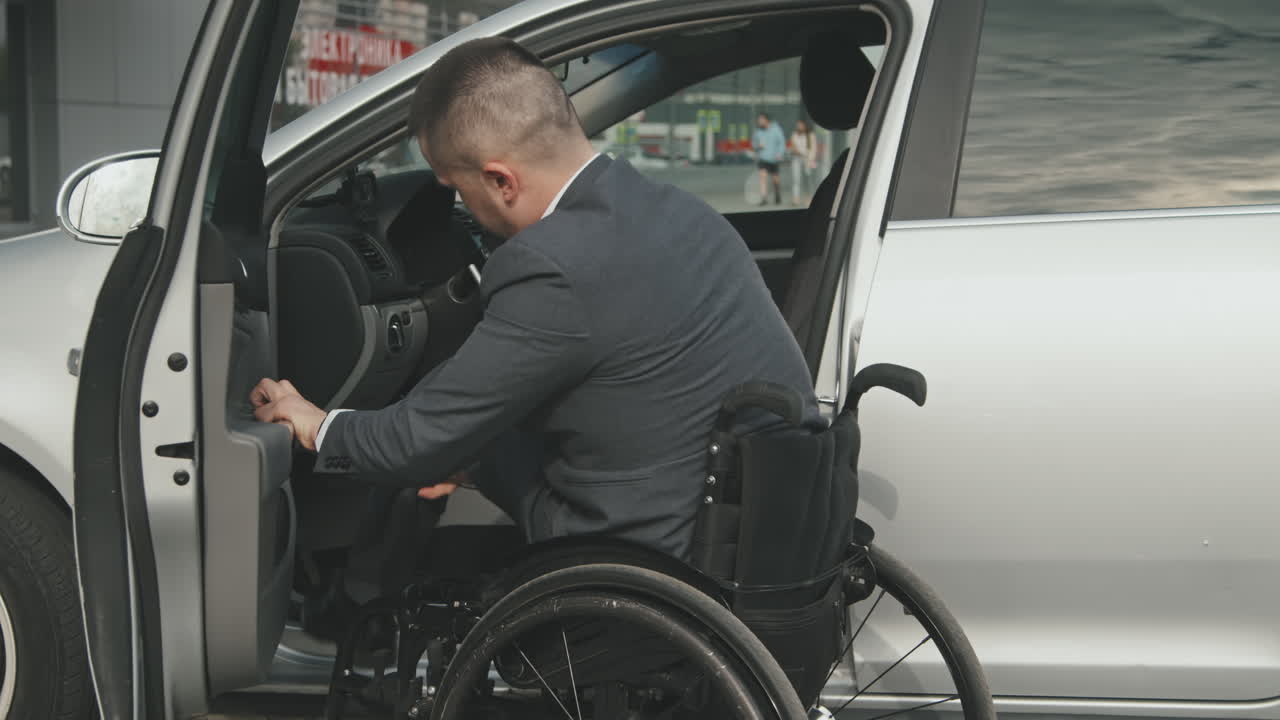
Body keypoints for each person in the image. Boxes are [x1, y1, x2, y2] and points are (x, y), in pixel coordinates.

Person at [251, 37, 818, 561]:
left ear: (501, 181)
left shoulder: (552, 265)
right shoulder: (678, 210)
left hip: (636, 563)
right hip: (743, 533)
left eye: (456, 190)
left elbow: (412, 441)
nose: (462, 208)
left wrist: (316, 425)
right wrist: (467, 456)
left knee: (430, 566)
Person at [752, 112, 786, 205]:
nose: (759, 122)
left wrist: (780, 153)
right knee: (763, 177)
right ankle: (764, 198)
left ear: (766, 120)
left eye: (761, 120)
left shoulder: (776, 129)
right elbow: (753, 144)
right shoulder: (758, 132)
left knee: (775, 179)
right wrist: (758, 146)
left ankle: (777, 194)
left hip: (774, 158)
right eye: (759, 120)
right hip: (763, 158)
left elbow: (782, 142)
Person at [789, 119, 818, 205]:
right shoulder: (794, 135)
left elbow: (814, 149)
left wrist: (811, 160)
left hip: (807, 160)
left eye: (800, 125)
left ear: (805, 126)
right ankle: (796, 199)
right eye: (798, 125)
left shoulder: (810, 135)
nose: (799, 127)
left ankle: (808, 198)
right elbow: (793, 147)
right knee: (796, 179)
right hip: (796, 159)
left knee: (807, 180)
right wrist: (795, 150)